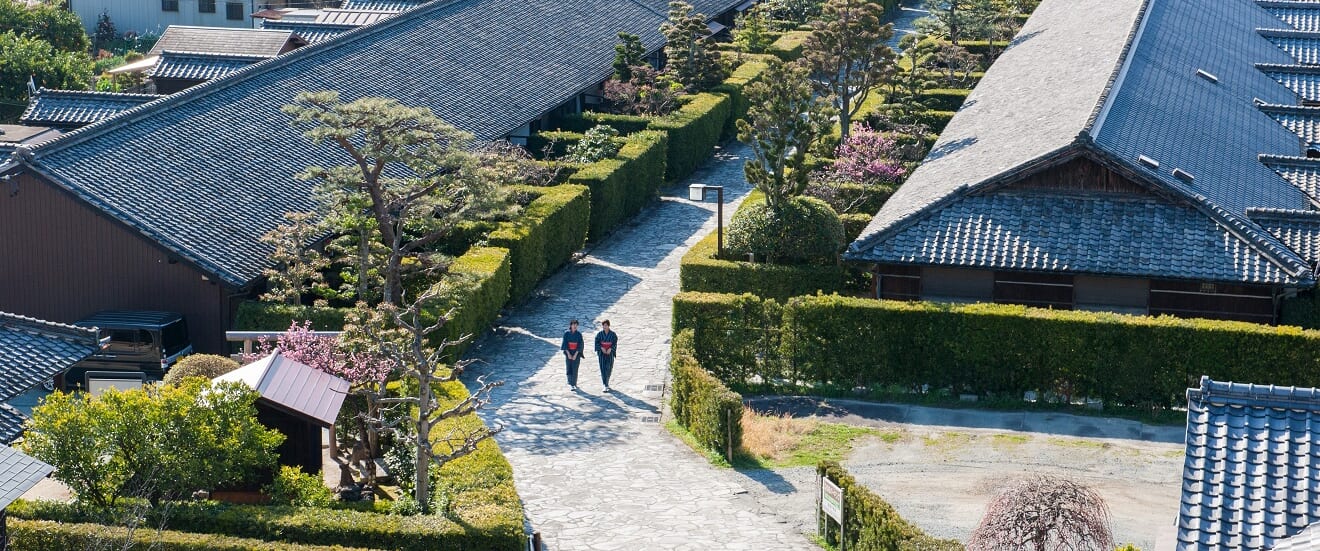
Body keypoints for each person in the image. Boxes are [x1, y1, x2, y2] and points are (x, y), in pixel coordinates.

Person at [595, 320, 618, 393]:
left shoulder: (613, 334)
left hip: (610, 353)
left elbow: (614, 343)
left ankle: (607, 382)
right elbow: (597, 342)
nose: (604, 327)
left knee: (609, 368)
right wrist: (601, 348)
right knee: (603, 368)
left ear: (608, 326)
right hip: (602, 353)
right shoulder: (599, 334)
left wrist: (611, 349)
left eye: (606, 325)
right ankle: (605, 384)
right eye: (603, 325)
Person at [561, 319, 584, 391]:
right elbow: (564, 344)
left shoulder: (579, 335)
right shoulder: (566, 334)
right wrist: (568, 354)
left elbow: (581, 345)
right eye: (573, 324)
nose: (575, 326)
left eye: (576, 325)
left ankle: (574, 384)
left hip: (576, 354)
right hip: (568, 352)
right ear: (570, 325)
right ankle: (570, 382)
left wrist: (575, 354)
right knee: (569, 367)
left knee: (575, 368)